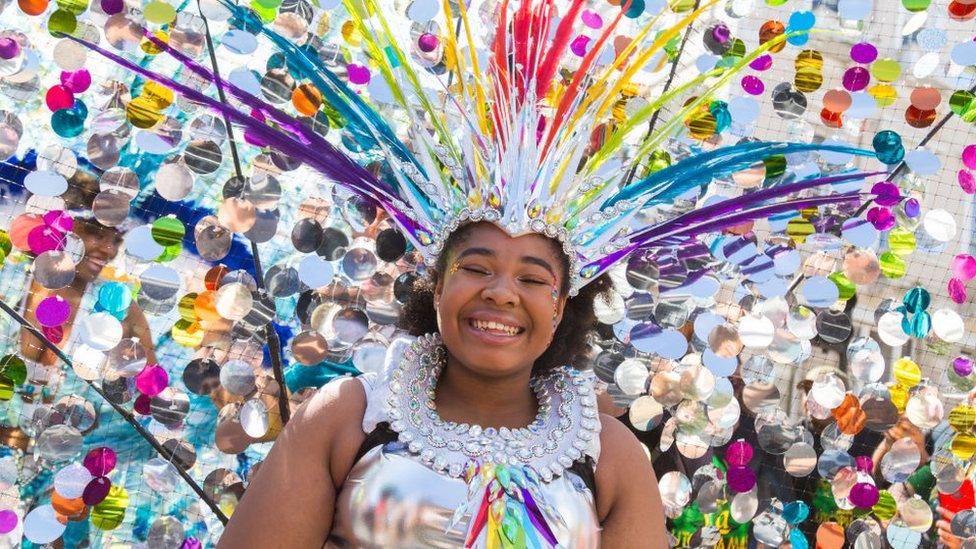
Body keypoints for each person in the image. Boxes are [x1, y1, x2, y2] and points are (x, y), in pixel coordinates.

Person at [218, 221, 667, 547]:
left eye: (531, 279)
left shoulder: (608, 452)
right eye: (476, 268)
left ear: (559, 309)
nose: (501, 292)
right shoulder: (349, 414)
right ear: (436, 290)